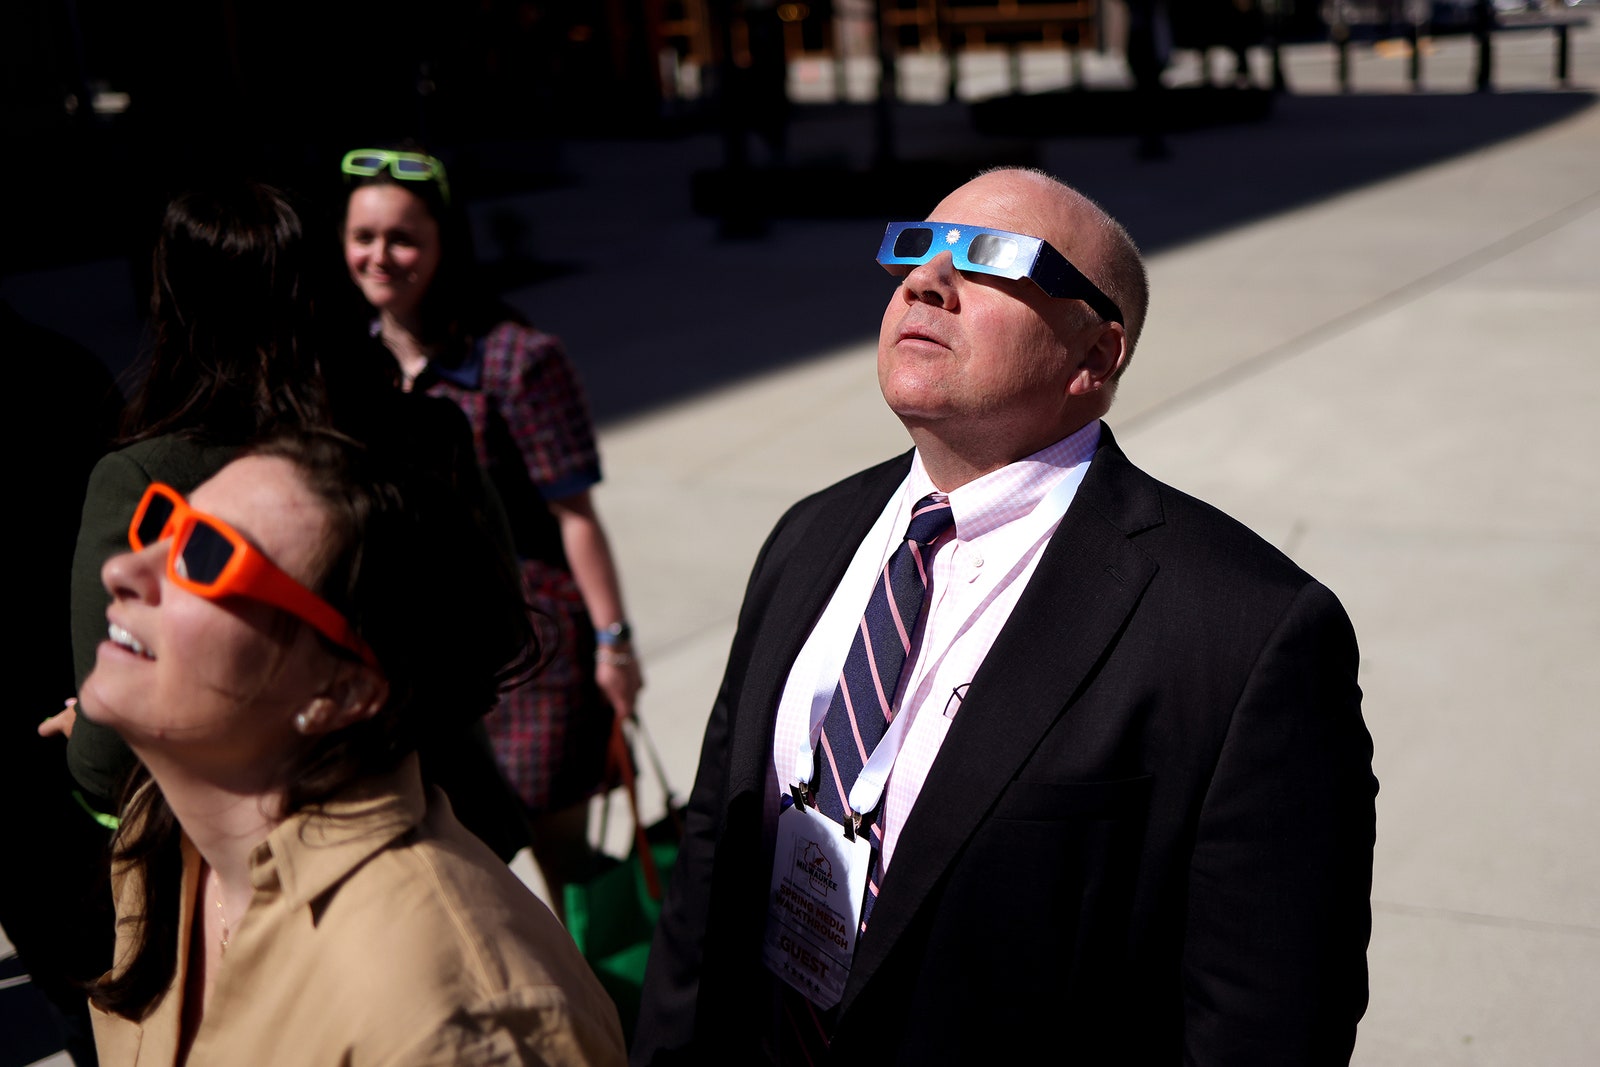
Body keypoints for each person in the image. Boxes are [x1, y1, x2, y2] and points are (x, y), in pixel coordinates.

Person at [632, 168, 1377, 1064]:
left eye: (991, 260)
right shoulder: (809, 534)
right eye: (916, 247)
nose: (925, 282)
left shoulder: (1246, 633)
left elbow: (1267, 1021)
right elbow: (714, 851)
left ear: (1095, 357)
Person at [71, 430, 627, 1065]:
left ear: (342, 689)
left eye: (204, 555)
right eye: (166, 525)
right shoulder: (159, 835)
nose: (121, 569)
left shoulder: (455, 1023)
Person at [58, 179, 531, 861]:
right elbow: (499, 633)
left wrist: (89, 724)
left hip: (267, 870)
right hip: (449, 821)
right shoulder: (429, 430)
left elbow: (105, 765)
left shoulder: (144, 478)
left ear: (174, 306)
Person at [337, 145, 643, 902]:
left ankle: (605, 1003)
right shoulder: (351, 366)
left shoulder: (517, 360)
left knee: (559, 860)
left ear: (446, 244)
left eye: (402, 237)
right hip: (415, 661)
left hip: (531, 653)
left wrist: (614, 644)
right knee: (462, 874)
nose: (380, 256)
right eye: (363, 236)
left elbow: (575, 516)